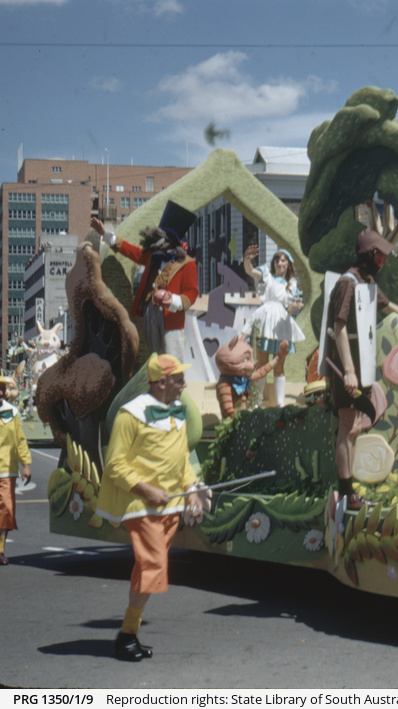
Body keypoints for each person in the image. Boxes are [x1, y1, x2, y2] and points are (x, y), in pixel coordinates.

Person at [95, 354, 203, 661]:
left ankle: (129, 635)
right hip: (141, 505)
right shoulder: (130, 415)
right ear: (162, 382)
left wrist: (191, 489)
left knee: (145, 569)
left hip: (170, 506)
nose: (184, 385)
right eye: (179, 380)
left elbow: (182, 459)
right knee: (153, 567)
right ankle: (126, 636)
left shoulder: (177, 413)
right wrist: (147, 489)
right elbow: (115, 465)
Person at [326, 228, 398, 511]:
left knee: (353, 429)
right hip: (347, 365)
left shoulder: (366, 280)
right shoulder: (348, 282)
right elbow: (338, 328)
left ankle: (350, 493)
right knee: (346, 427)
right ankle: (346, 493)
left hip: (361, 364)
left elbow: (387, 305)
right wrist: (349, 371)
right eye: (380, 256)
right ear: (368, 253)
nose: (383, 261)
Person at [93, 202, 198, 361]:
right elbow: (131, 251)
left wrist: (173, 300)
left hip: (171, 317)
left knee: (172, 359)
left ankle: (175, 378)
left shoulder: (187, 263)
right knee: (153, 357)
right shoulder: (152, 257)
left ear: (172, 241)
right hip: (150, 312)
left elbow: (192, 293)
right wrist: (106, 235)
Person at [242, 245, 305, 407]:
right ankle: (256, 401)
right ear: (273, 263)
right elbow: (250, 271)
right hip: (265, 322)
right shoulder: (267, 276)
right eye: (277, 260)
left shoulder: (292, 284)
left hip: (281, 325)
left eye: (283, 260)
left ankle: (279, 402)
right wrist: (247, 260)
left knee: (279, 364)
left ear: (288, 264)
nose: (280, 263)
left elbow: (290, 308)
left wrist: (293, 308)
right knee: (261, 363)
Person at [0, 376, 31, 566]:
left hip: (6, 471)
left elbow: (20, 440)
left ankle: (0, 550)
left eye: (2, 388)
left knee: (6, 511)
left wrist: (26, 464)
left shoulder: (11, 412)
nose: (1, 392)